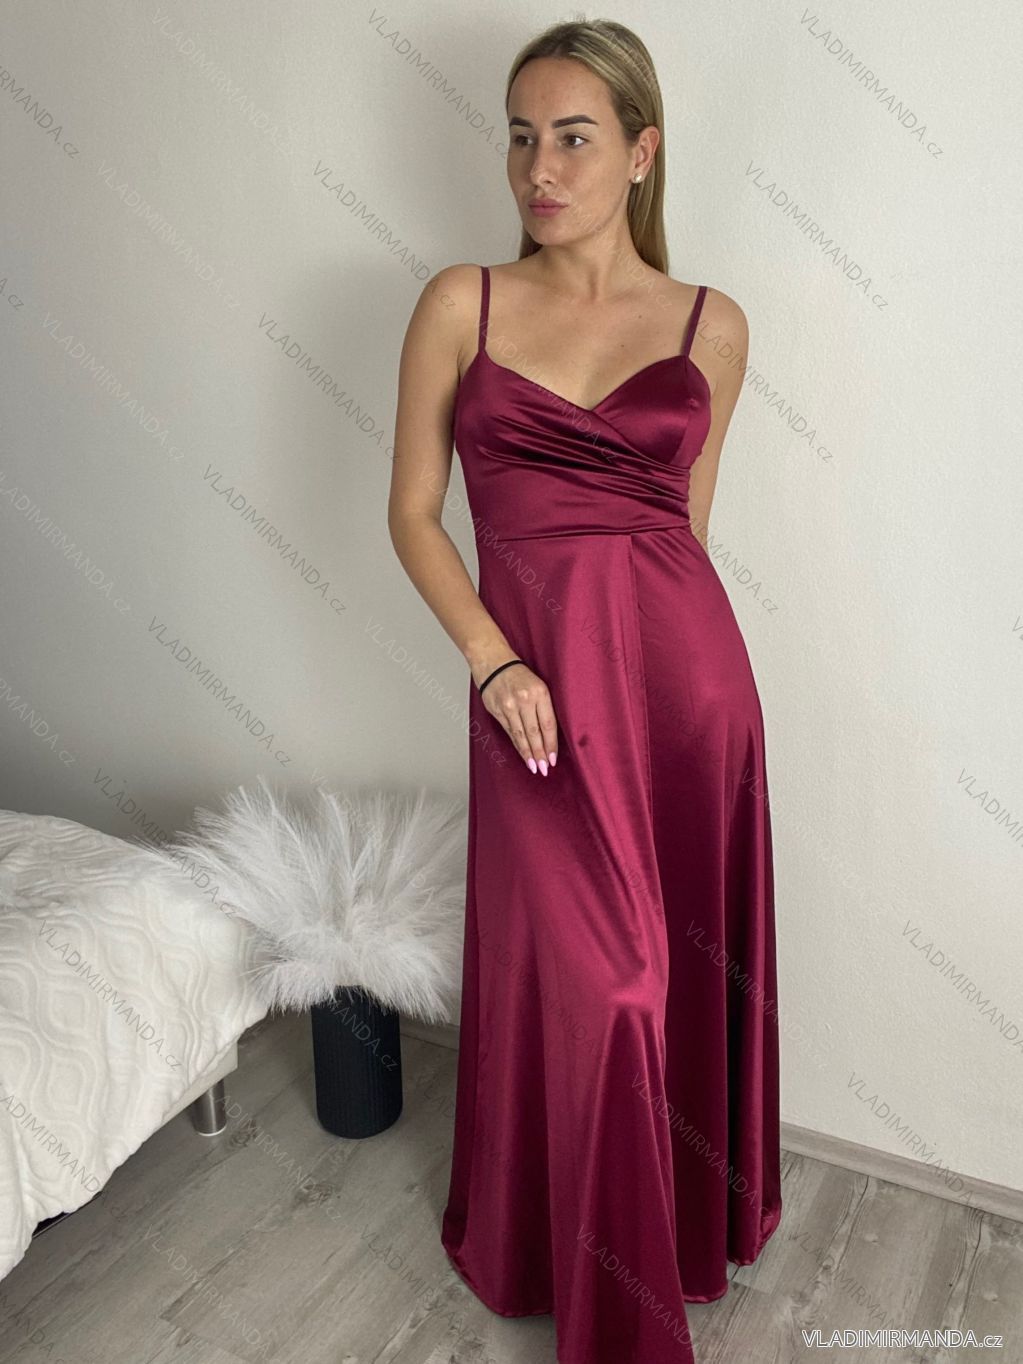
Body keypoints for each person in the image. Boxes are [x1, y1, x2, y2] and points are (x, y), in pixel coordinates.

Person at [387, 18, 782, 1364]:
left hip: (689, 700)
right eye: (520, 138)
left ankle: (674, 1228)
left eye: (572, 138)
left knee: (671, 981)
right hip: (534, 703)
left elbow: (683, 535)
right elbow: (413, 518)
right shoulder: (462, 304)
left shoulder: (712, 326)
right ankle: (608, 1301)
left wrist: (670, 683)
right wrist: (495, 659)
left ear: (641, 152)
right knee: (610, 987)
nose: (538, 171)